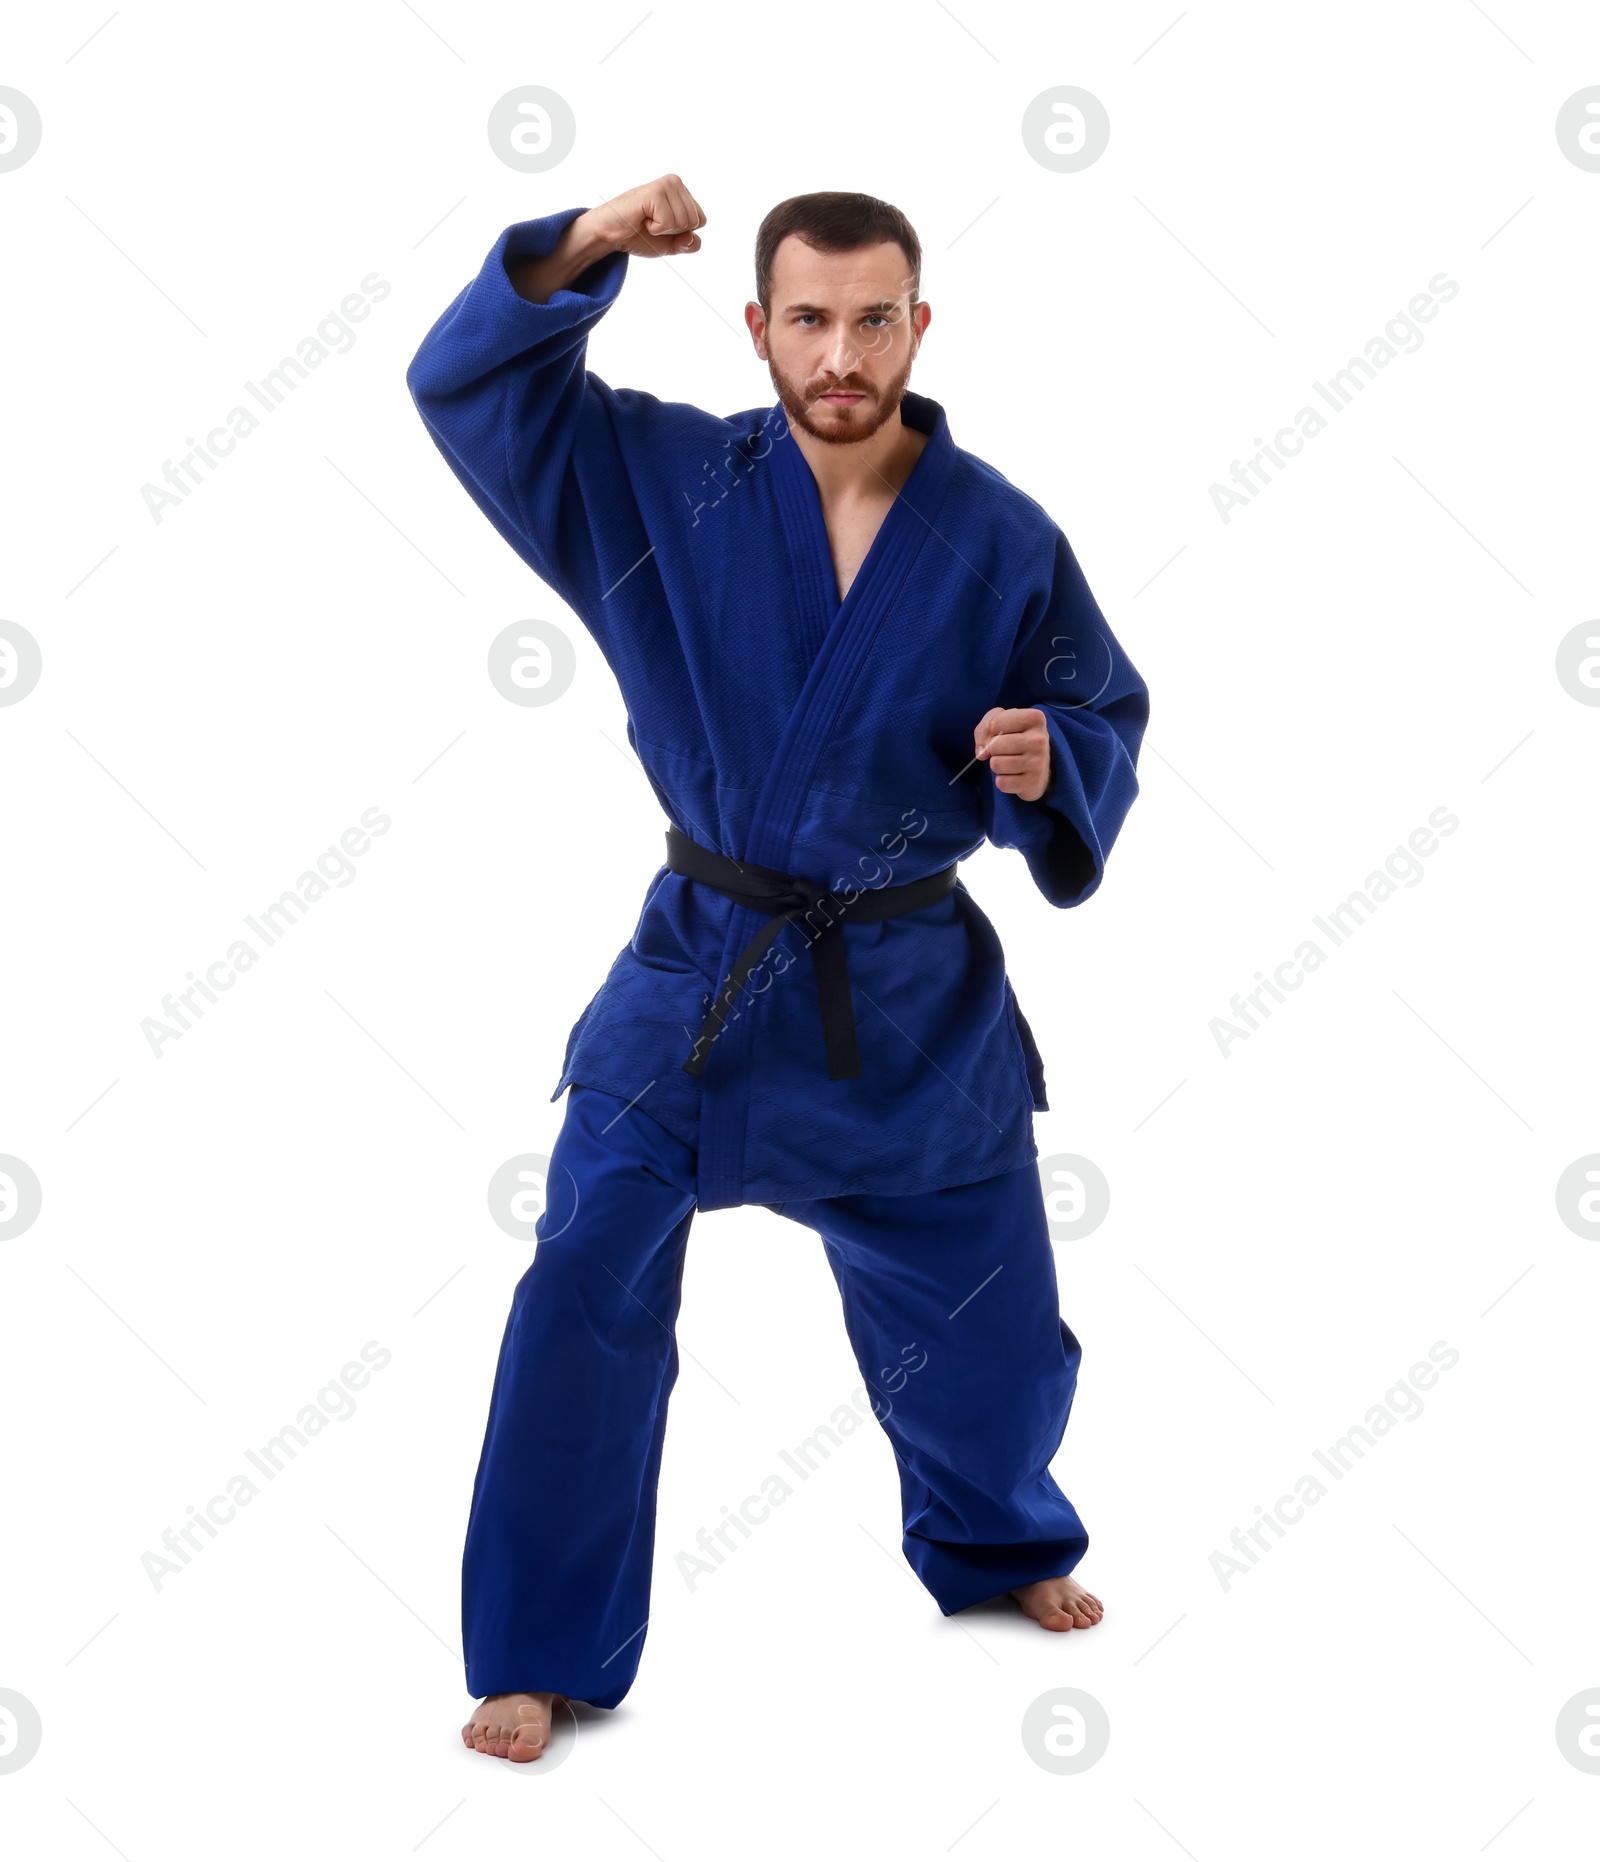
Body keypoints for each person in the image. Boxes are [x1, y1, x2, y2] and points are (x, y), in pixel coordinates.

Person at [406, 175, 1148, 1762]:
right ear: (758, 326)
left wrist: (1047, 759)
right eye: (808, 318)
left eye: (873, 317)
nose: (841, 351)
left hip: (905, 998)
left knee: (993, 1327)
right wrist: (584, 247)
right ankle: (540, 1647)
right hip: (703, 972)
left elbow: (1105, 713)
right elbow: (468, 388)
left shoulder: (1003, 536)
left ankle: (997, 1538)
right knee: (585, 1268)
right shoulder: (668, 482)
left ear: (917, 324)